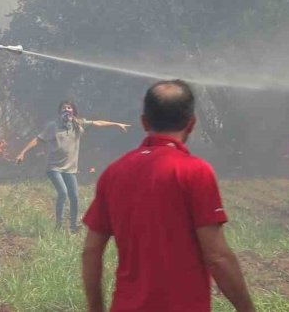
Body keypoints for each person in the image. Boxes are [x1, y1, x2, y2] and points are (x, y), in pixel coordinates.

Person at [81, 80, 254, 312]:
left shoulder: (114, 172)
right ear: (191, 124)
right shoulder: (195, 172)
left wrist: (95, 308)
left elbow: (91, 250)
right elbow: (217, 257)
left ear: (144, 122)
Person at [14, 99, 129, 232]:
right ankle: (59, 225)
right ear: (60, 112)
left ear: (73, 111)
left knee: (74, 196)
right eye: (64, 108)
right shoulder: (53, 126)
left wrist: (116, 124)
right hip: (54, 167)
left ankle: (73, 226)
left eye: (69, 108)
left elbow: (98, 123)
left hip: (70, 169)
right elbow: (37, 139)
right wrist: (22, 152)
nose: (66, 110)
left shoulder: (78, 124)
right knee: (63, 193)